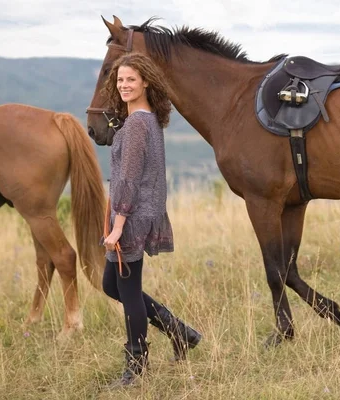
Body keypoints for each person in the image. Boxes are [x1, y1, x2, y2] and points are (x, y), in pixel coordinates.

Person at [101, 52, 201, 387]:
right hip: (137, 212)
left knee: (127, 289)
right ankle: (179, 331)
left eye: (131, 79)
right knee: (112, 284)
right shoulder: (146, 119)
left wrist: (117, 225)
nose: (125, 85)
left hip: (132, 216)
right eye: (120, 80)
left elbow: (129, 177)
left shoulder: (138, 124)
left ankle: (137, 365)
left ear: (145, 82)